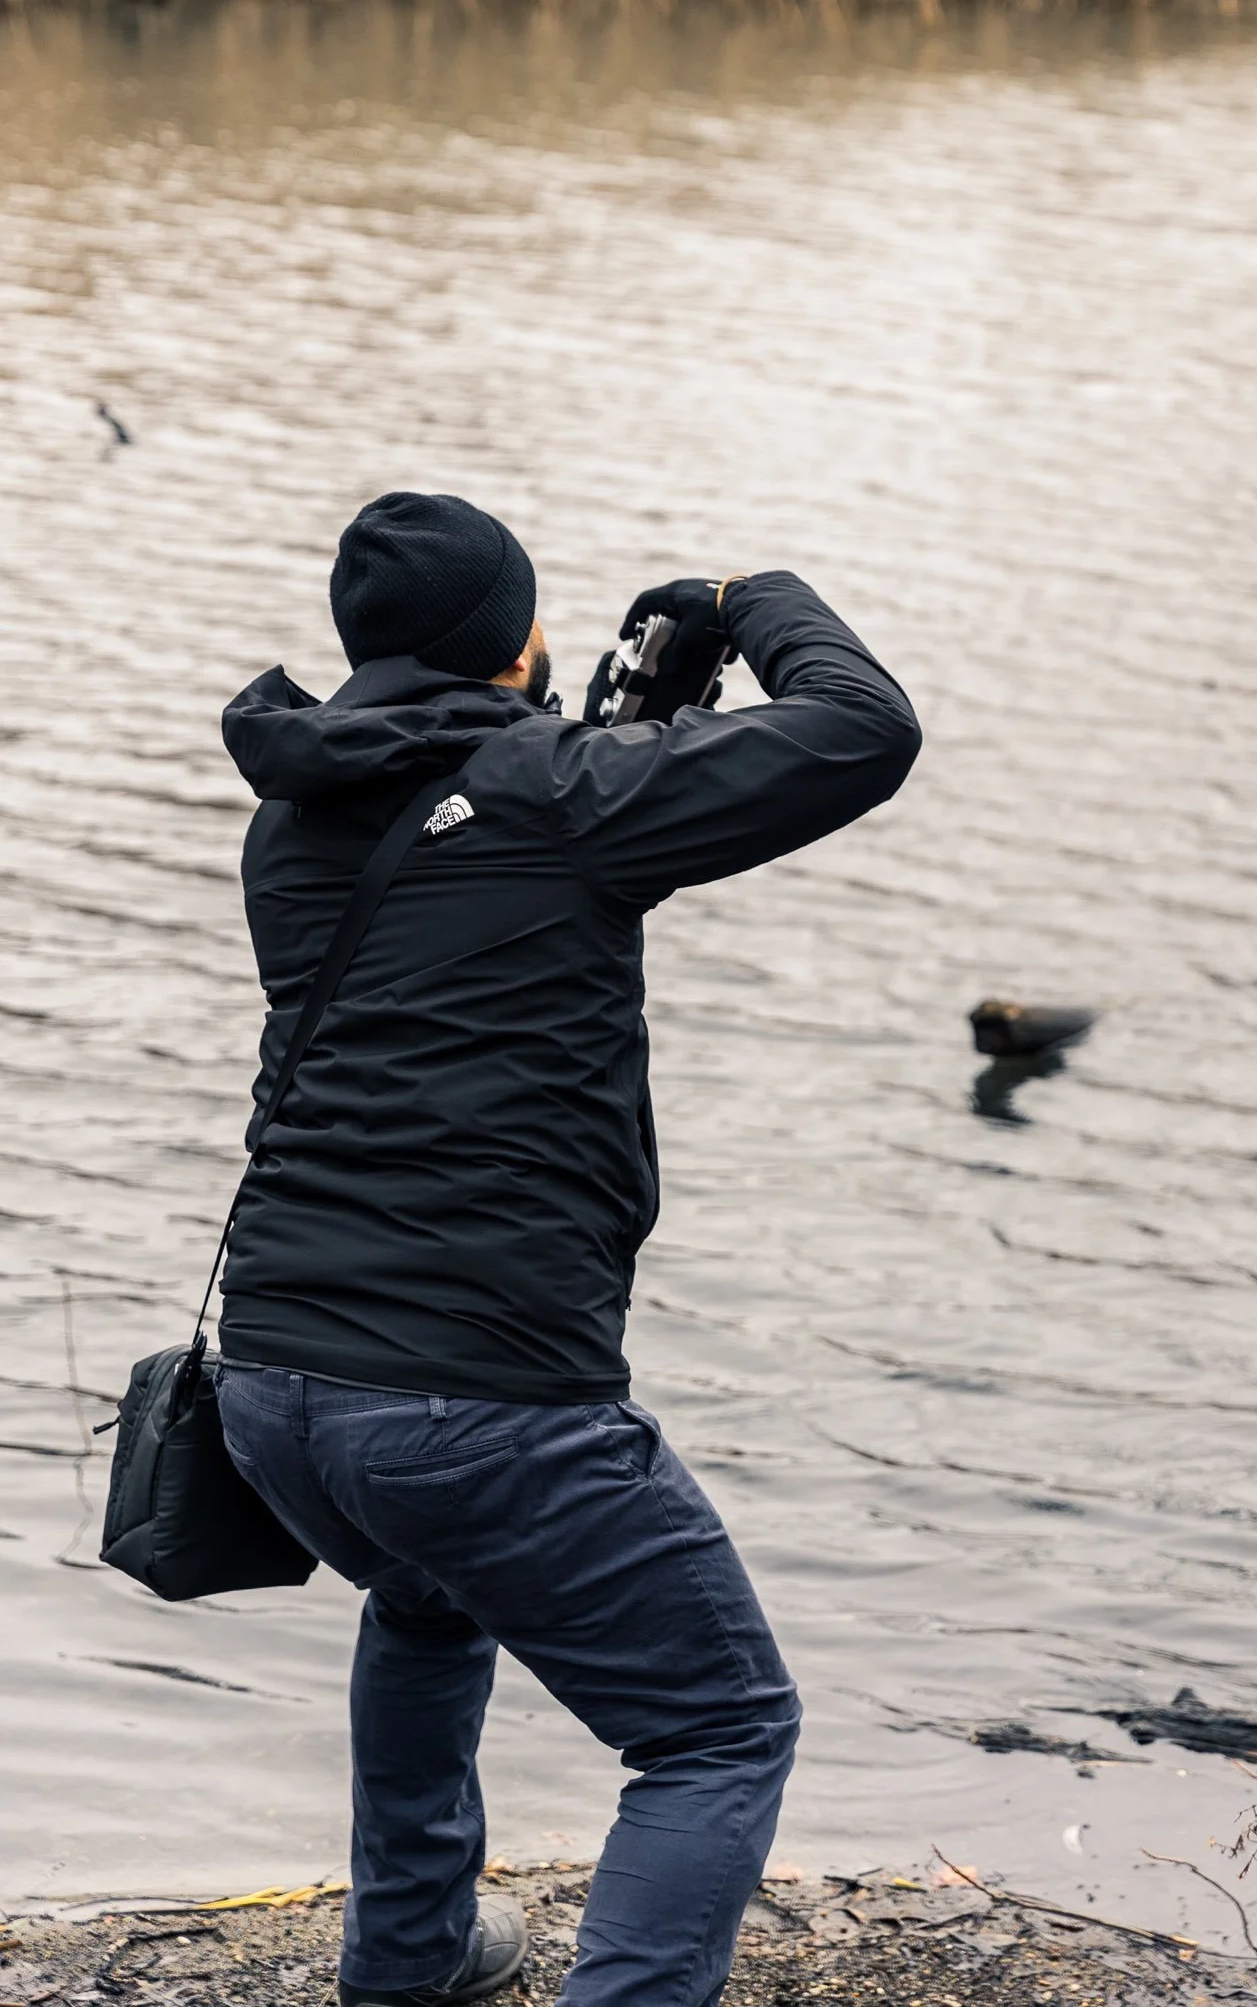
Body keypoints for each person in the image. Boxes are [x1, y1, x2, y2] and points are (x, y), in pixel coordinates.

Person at [211, 492, 921, 2007]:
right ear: (511, 640)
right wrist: (751, 592)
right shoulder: (560, 792)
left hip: (274, 1386)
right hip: (480, 1403)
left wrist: (620, 731)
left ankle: (407, 1963)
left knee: (425, 1598)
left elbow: (488, 880)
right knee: (719, 1731)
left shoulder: (293, 810)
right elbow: (861, 728)